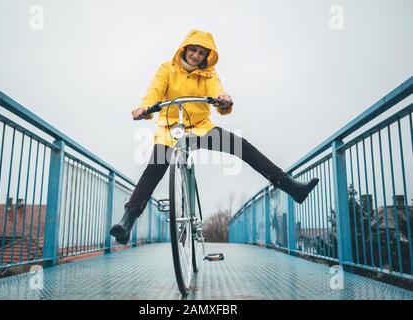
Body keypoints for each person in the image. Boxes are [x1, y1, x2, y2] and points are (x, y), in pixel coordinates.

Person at [110, 29, 319, 245]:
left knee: (240, 146)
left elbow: (216, 88)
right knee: (154, 170)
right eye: (193, 50)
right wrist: (144, 108)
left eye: (202, 53)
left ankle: (290, 186)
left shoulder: (209, 73)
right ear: (184, 48)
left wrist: (223, 98)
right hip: (171, 129)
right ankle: (127, 222)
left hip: (200, 127)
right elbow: (154, 92)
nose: (196, 56)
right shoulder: (167, 69)